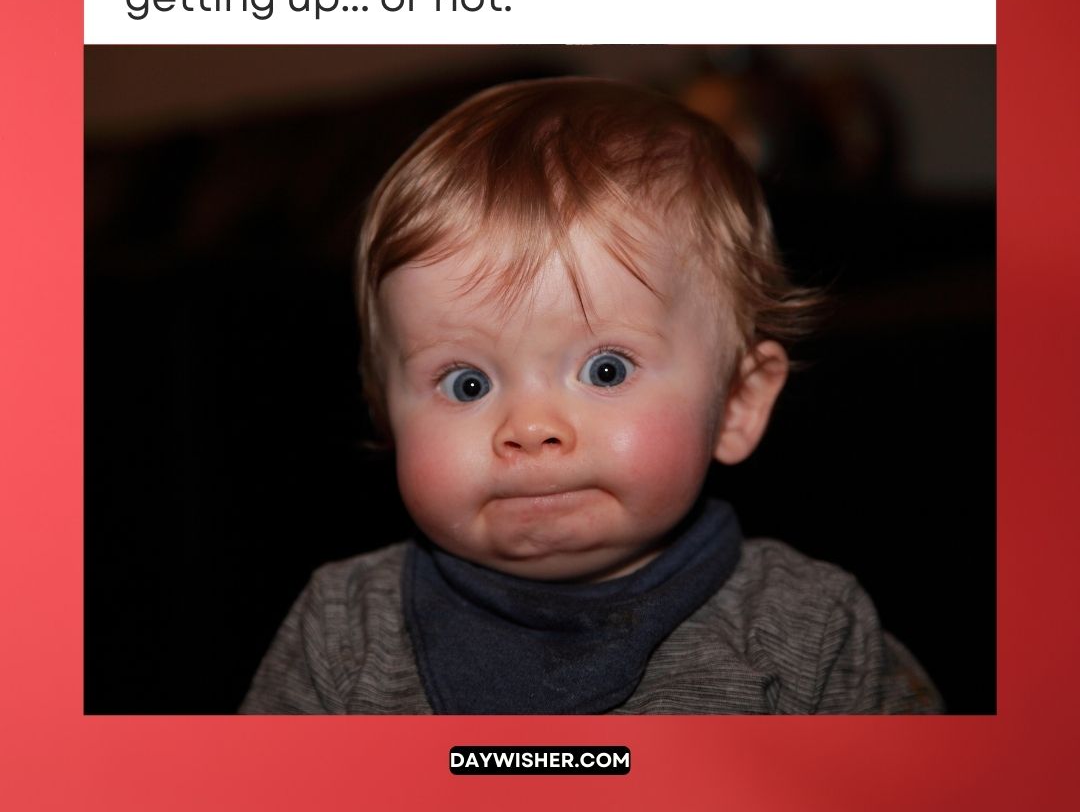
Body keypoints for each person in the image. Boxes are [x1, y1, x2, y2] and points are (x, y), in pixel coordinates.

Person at [240, 77, 942, 715]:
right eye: (467, 384)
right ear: (384, 412)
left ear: (737, 403)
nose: (531, 427)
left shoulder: (811, 633)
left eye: (606, 370)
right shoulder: (341, 633)